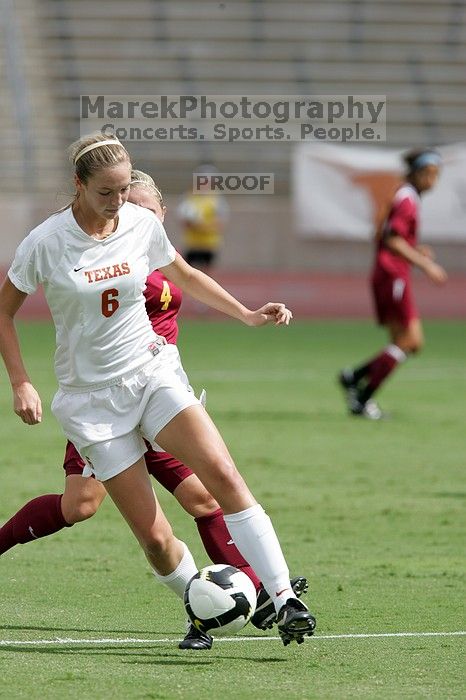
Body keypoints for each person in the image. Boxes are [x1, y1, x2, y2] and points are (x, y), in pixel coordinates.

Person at [0, 134, 316, 647]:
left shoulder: (141, 223)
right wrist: (21, 382)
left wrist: (247, 314)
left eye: (124, 189)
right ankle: (203, 600)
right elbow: (4, 311)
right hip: (91, 403)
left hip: (152, 374)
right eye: (106, 191)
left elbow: (185, 274)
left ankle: (284, 598)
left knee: (222, 477)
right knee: (151, 536)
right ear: (78, 186)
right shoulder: (45, 242)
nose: (118, 200)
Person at [338, 148, 448, 419]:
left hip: (391, 273)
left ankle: (355, 378)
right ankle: (362, 397)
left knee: (409, 342)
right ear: (418, 173)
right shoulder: (407, 199)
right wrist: (427, 266)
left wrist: (416, 249)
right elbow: (392, 239)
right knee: (409, 340)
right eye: (430, 174)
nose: (434, 181)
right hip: (392, 274)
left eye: (437, 175)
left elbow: (383, 233)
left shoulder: (403, 195)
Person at [177, 164, 229, 273]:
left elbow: (220, 223)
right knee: (189, 274)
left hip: (209, 245)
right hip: (192, 244)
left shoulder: (217, 199)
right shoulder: (188, 198)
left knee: (207, 275)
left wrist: (200, 226)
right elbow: (184, 221)